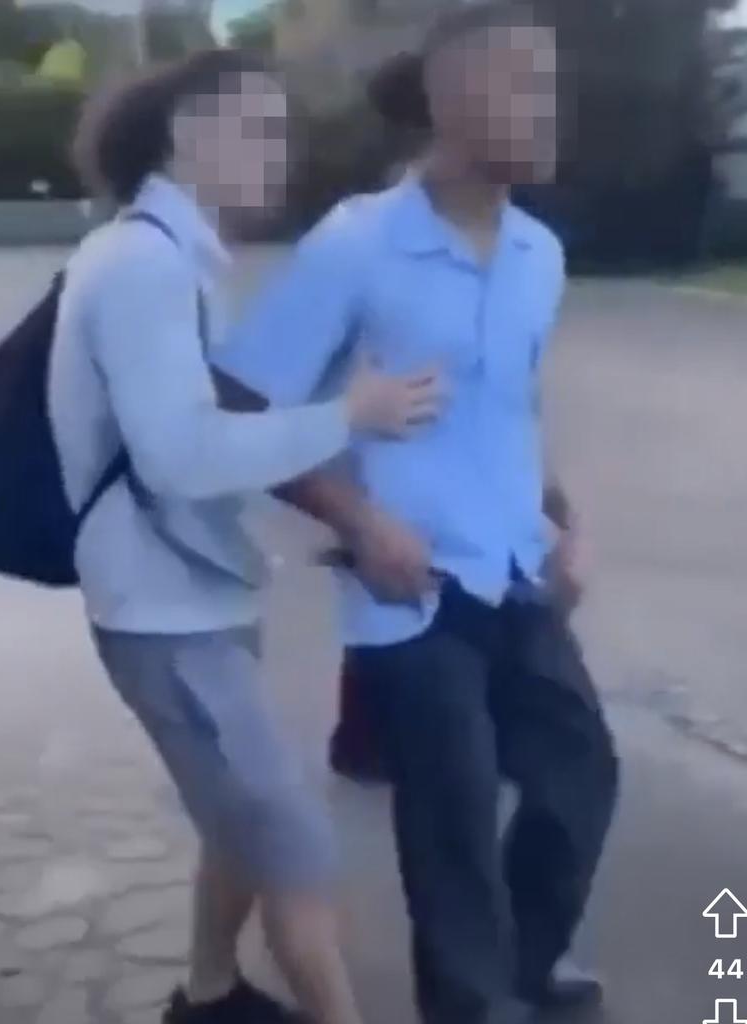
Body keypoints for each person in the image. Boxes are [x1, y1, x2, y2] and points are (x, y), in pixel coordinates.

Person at [215, 4, 619, 1023]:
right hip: (409, 593)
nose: (547, 108)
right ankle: (476, 1006)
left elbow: (516, 404)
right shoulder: (359, 243)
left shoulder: (538, 252)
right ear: (448, 97)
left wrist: (568, 519)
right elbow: (244, 407)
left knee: (579, 776)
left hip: (517, 573)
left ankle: (522, 968)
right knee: (453, 832)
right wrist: (359, 522)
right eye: (520, 83)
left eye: (549, 84)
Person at [52, 48, 443, 1024]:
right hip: (165, 615)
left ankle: (210, 993)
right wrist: (350, 414)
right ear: (189, 135)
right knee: (294, 848)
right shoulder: (144, 265)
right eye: (260, 132)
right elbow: (182, 455)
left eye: (283, 133)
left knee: (238, 821)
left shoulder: (165, 255)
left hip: (195, 595)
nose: (281, 154)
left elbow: (197, 434)